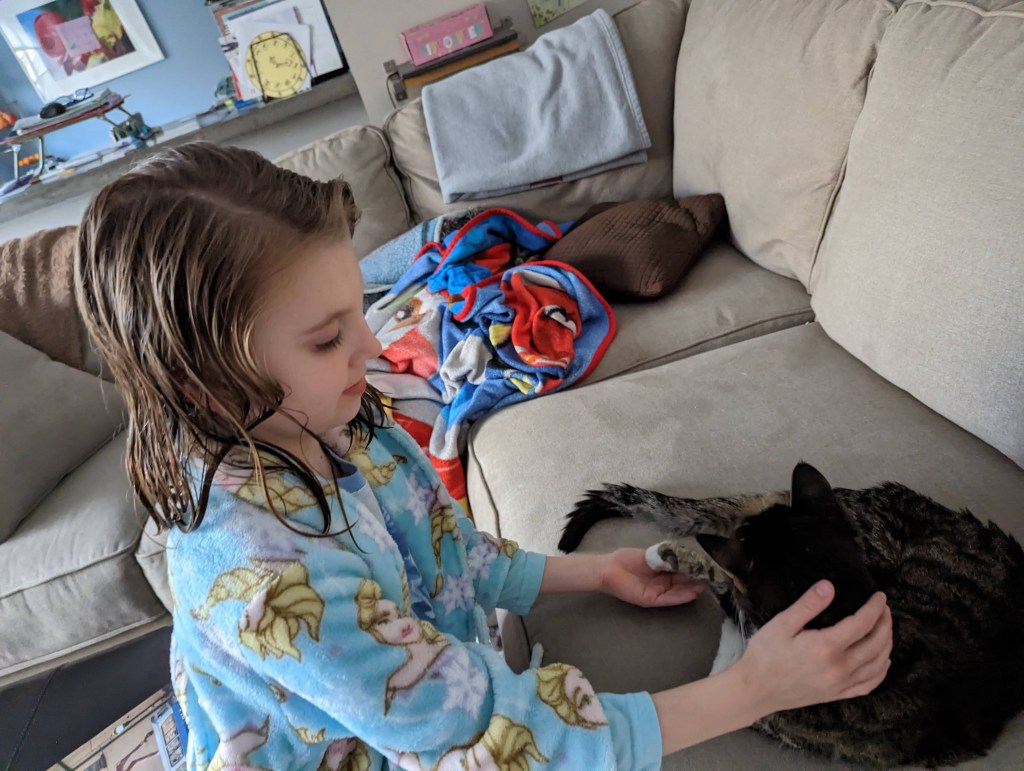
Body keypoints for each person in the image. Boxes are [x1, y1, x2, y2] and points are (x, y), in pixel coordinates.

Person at [74, 142, 892, 771]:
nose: (372, 346)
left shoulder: (334, 417)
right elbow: (493, 743)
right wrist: (752, 689)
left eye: (359, 310)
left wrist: (594, 572)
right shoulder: (266, 581)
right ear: (209, 381)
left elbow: (444, 551)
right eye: (327, 338)